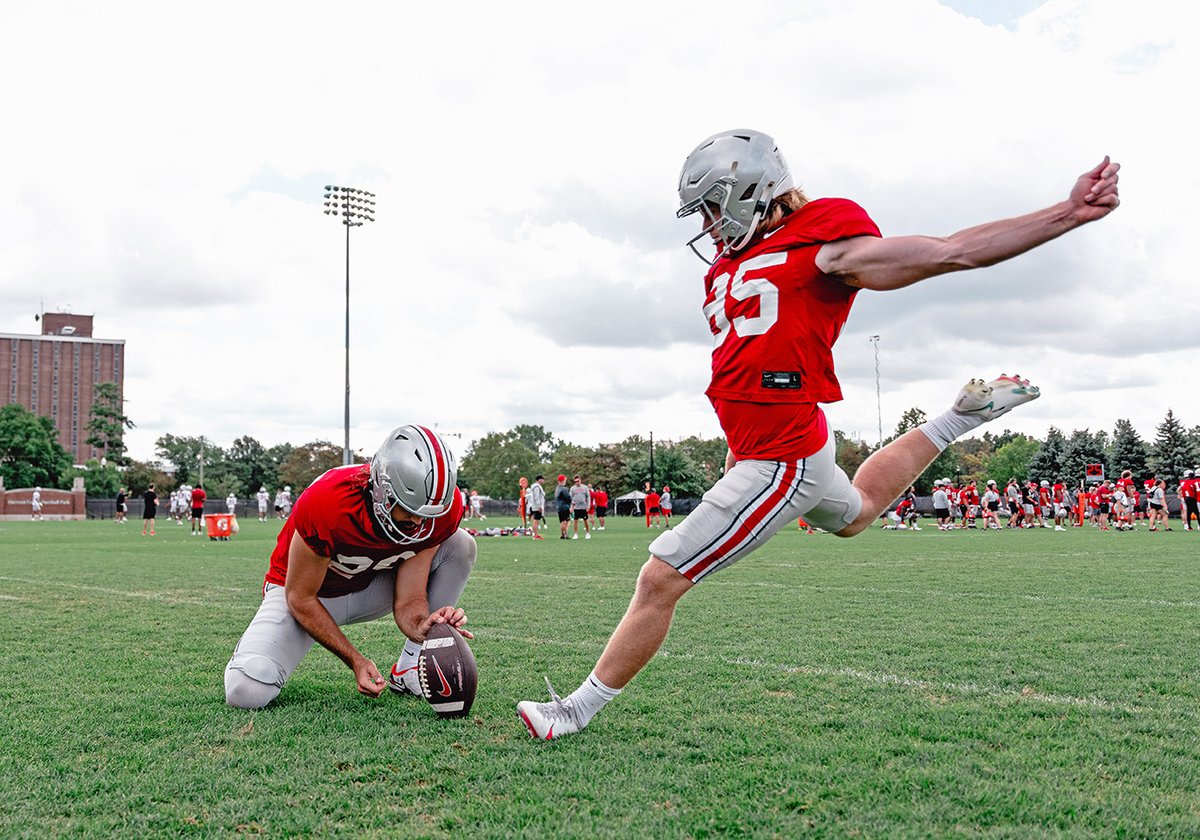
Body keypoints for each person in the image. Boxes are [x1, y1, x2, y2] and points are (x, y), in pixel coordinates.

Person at [517, 128, 1120, 739]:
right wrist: (735, 452)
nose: (707, 224)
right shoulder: (730, 265)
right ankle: (961, 417)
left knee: (660, 577)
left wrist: (1067, 213)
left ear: (751, 192)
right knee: (856, 513)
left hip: (783, 457)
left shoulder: (823, 248)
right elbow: (745, 367)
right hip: (778, 443)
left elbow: (950, 251)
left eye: (712, 207)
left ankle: (574, 711)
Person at [224, 425, 476, 709]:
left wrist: (423, 626)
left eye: (427, 514)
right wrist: (355, 659)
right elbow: (300, 597)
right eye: (408, 509)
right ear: (381, 489)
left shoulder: (440, 513)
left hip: (367, 584)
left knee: (460, 544)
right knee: (246, 690)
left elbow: (410, 599)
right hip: (303, 594)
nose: (419, 522)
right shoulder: (329, 500)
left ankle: (411, 665)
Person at [569, 475, 591, 540]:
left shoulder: (585, 487)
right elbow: (570, 498)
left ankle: (588, 533)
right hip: (576, 507)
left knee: (585, 520)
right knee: (575, 520)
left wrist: (588, 505)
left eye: (578, 481)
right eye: (575, 481)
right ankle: (575, 534)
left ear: (580, 480)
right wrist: (571, 507)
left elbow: (588, 496)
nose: (577, 483)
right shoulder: (572, 488)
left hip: (584, 507)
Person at [528, 475, 546, 540]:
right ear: (539, 479)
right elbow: (536, 497)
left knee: (537, 521)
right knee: (536, 521)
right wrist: (539, 506)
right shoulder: (536, 487)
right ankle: (535, 535)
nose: (543, 480)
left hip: (536, 506)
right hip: (537, 506)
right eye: (542, 479)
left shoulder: (537, 486)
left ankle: (536, 534)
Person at [554, 475, 572, 539]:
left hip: (559, 507)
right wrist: (570, 504)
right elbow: (568, 497)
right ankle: (565, 534)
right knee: (566, 521)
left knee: (562, 521)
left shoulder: (557, 488)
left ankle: (562, 534)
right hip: (565, 506)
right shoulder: (564, 489)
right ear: (563, 480)